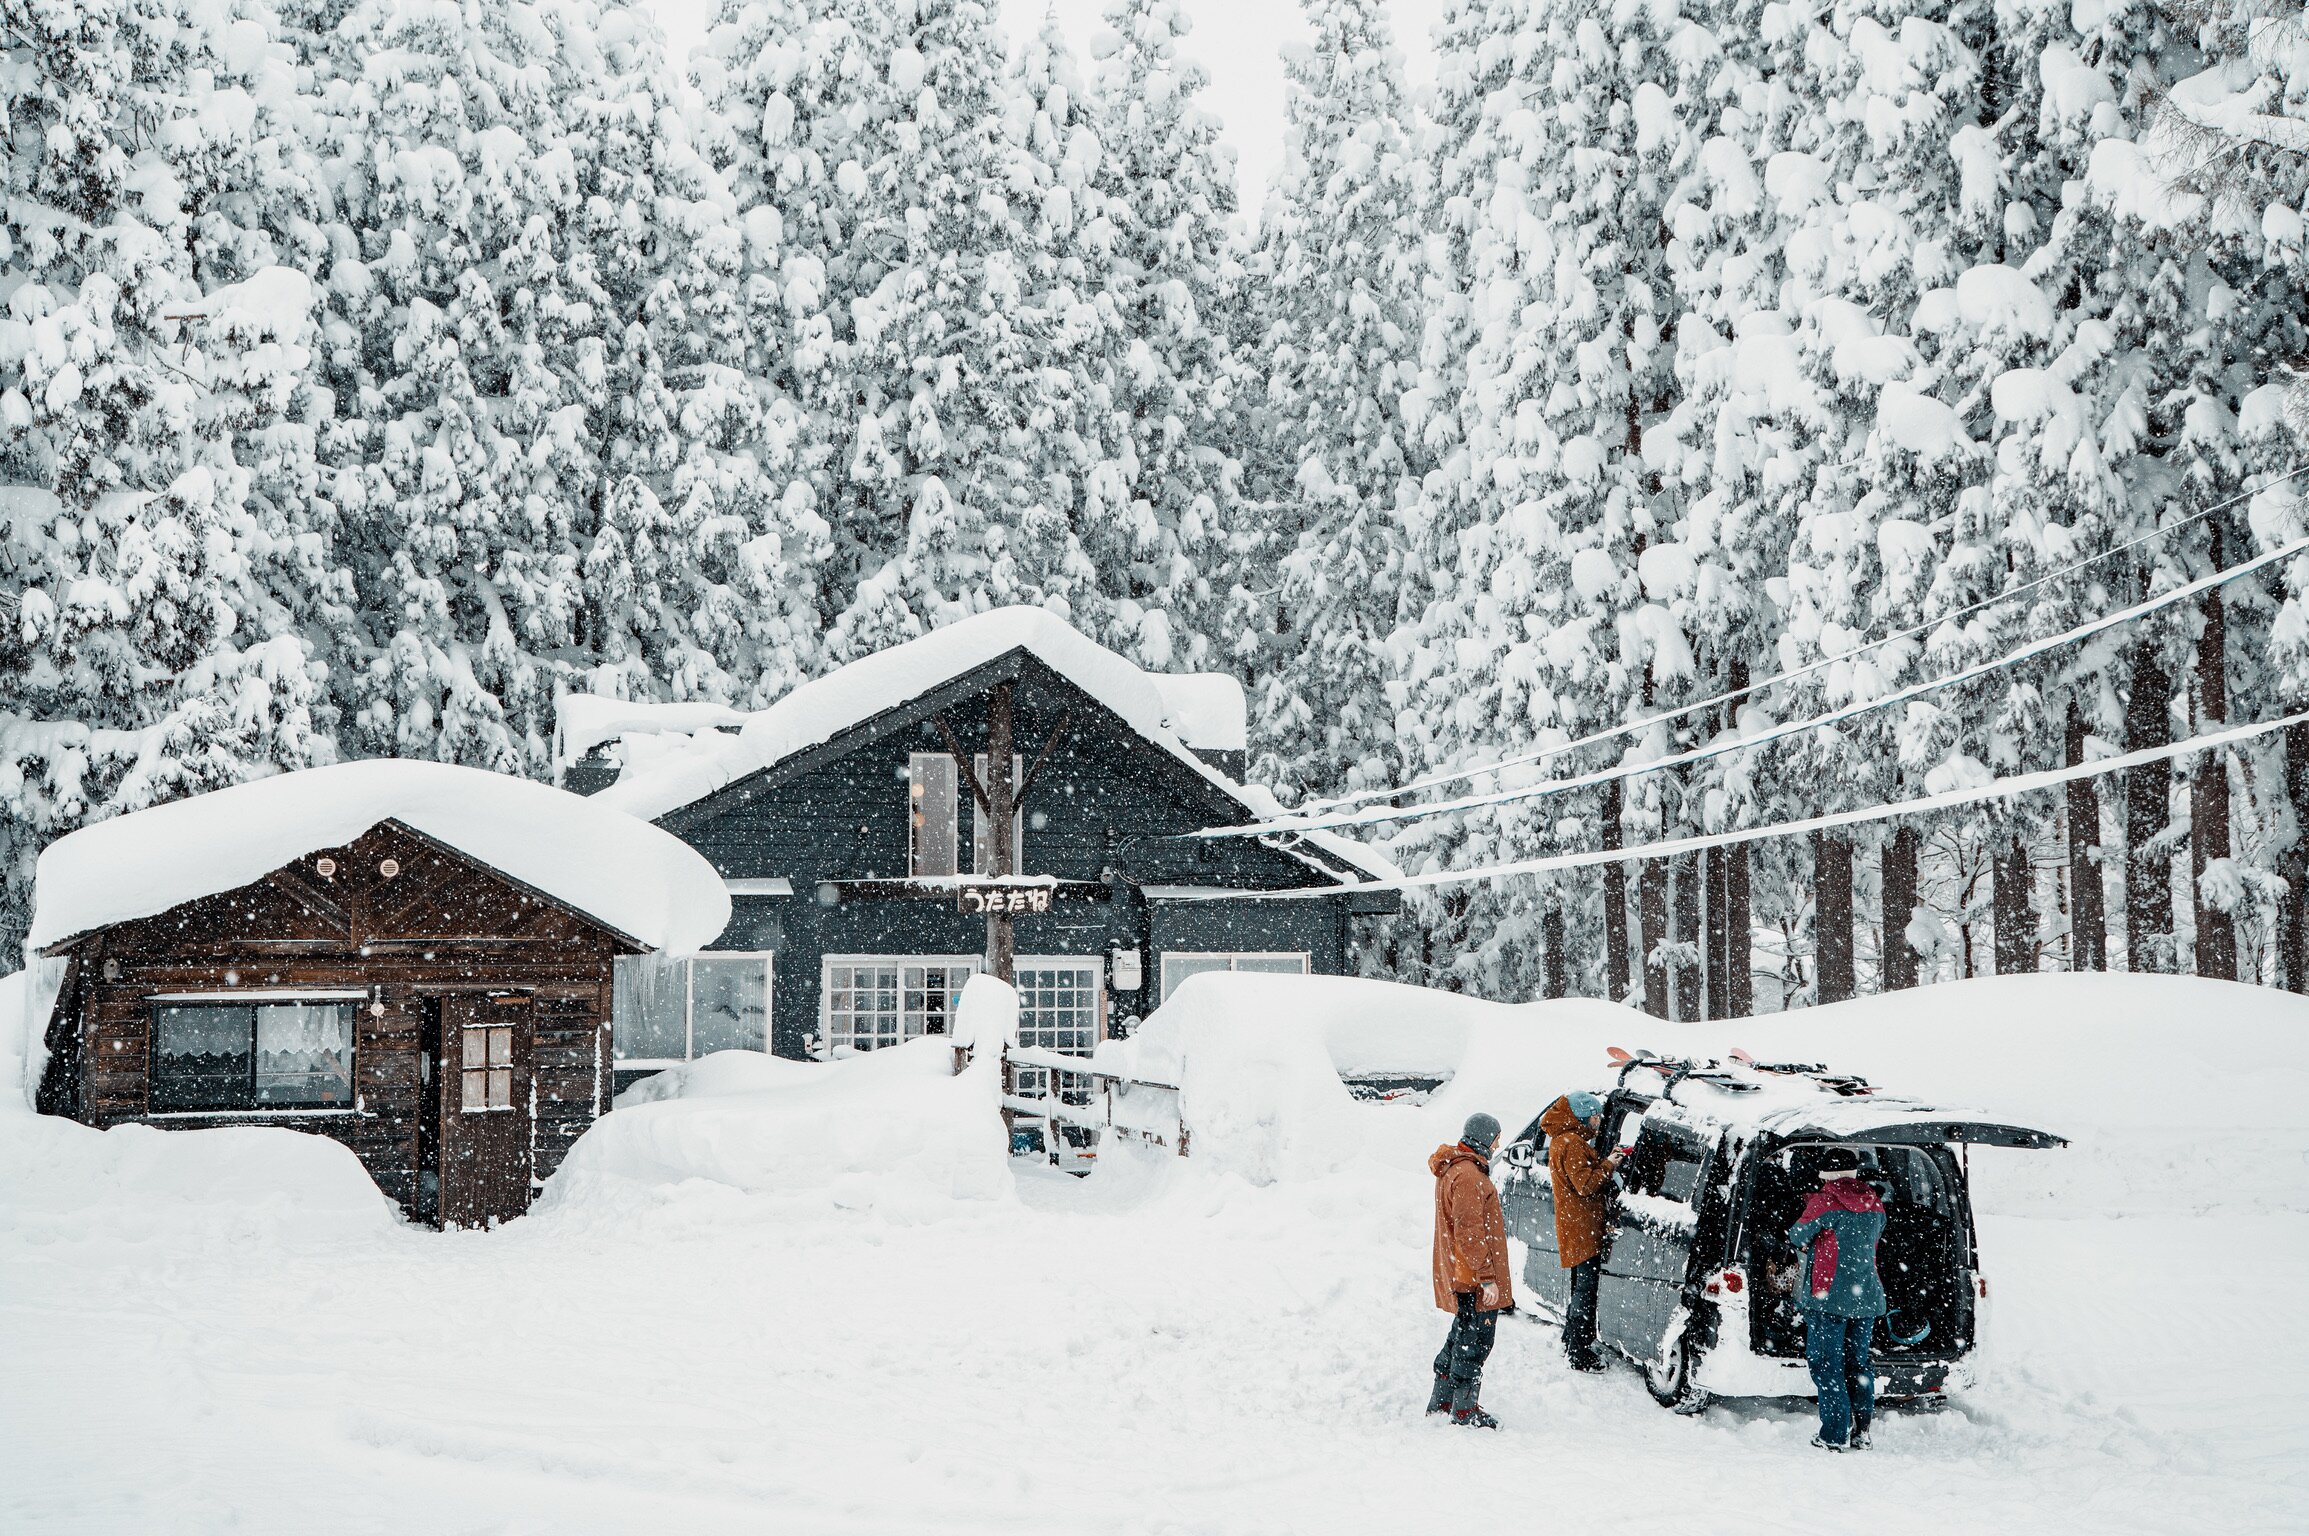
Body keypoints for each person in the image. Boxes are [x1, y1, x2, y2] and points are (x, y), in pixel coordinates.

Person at [1787, 1146, 1888, 1451]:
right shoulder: (1875, 1202)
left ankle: (1833, 1434)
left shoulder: (1824, 1201)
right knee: (1859, 1364)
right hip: (1866, 1297)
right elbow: (1876, 1233)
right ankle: (1862, 1432)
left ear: (1824, 1173)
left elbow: (1797, 1236)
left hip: (1828, 1296)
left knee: (1827, 1364)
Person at [1427, 1111, 1514, 1429]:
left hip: (1464, 1273)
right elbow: (1470, 1232)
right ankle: (1464, 1409)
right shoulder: (1468, 1177)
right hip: (1473, 1278)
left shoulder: (1456, 1170)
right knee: (1476, 1340)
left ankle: (1442, 1400)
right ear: (1483, 1139)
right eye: (1495, 1139)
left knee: (1461, 1334)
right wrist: (1488, 1278)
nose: (1497, 1145)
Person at [1539, 1090, 1624, 1372]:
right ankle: (1579, 1352)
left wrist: (1604, 1161)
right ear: (1583, 1117)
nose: (1599, 1122)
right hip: (1583, 1228)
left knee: (1579, 1288)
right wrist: (1610, 1164)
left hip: (1575, 1225)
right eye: (1596, 1116)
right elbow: (1586, 1185)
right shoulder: (1572, 1144)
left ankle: (1571, 1338)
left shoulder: (1562, 1140)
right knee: (1585, 1292)